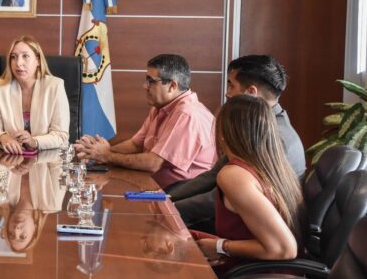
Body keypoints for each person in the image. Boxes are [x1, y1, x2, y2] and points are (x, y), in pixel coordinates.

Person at [169, 55, 305, 233]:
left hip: (259, 230)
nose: (227, 93)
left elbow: (231, 195)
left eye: (231, 85)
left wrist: (171, 210)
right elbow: (213, 175)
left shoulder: (272, 136)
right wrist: (165, 198)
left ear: (251, 92)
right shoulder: (253, 123)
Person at [193, 95, 303, 272]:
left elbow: (284, 248)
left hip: (254, 272)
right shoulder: (276, 167)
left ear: (224, 134)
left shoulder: (234, 175)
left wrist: (221, 246)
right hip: (261, 268)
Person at [75, 54, 216, 189]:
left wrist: (107, 156)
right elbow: (136, 144)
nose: (145, 86)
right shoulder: (160, 107)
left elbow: (153, 163)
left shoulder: (187, 115)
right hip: (156, 185)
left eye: (151, 81)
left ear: (172, 86)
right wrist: (100, 151)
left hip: (182, 194)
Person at [0, 35, 69, 153]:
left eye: (25, 56)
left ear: (38, 60)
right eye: (14, 57)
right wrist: (3, 137)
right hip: (11, 160)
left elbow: (61, 136)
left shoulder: (55, 86)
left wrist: (34, 141)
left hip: (47, 161)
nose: (18, 63)